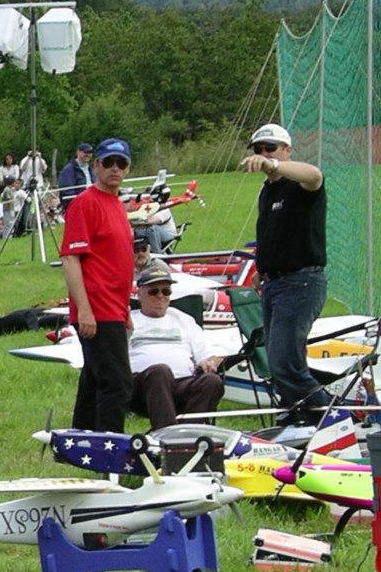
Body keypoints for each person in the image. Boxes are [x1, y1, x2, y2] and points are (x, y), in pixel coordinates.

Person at [242, 121, 330, 421]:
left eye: (272, 148)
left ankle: (334, 417)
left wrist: (273, 164)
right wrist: (261, 267)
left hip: (301, 281)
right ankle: (300, 415)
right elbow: (273, 232)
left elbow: (315, 175)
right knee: (280, 360)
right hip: (275, 284)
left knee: (285, 363)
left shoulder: (301, 185)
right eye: (259, 149)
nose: (264, 154)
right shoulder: (269, 191)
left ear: (287, 150)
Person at [62, 136, 137, 432]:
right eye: (108, 163)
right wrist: (84, 309)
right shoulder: (85, 204)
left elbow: (118, 261)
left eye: (121, 163)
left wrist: (125, 309)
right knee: (117, 383)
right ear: (96, 166)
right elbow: (71, 259)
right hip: (97, 307)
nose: (114, 169)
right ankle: (111, 451)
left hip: (114, 308)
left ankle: (81, 440)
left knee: (94, 378)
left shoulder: (117, 204)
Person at [128, 262, 227, 429]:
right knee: (160, 371)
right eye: (154, 291)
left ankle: (185, 435)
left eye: (166, 291)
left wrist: (209, 362)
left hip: (182, 383)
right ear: (139, 294)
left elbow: (206, 355)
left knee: (212, 382)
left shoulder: (183, 319)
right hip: (141, 386)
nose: (161, 296)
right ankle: (166, 434)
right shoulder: (129, 320)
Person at [56, 142, 94, 207]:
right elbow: (66, 191)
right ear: (78, 152)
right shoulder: (69, 170)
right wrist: (81, 200)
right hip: (77, 206)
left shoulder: (91, 169)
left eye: (90, 152)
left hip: (92, 203)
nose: (88, 155)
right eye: (85, 152)